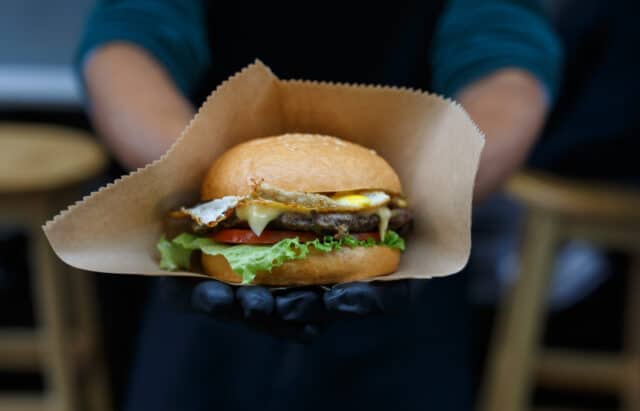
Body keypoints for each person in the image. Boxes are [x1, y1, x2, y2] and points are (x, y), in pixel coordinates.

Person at [76, 1, 562, 410]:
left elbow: (504, 56)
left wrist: (436, 190)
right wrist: (195, 179)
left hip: (413, 270)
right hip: (207, 281)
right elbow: (128, 37)